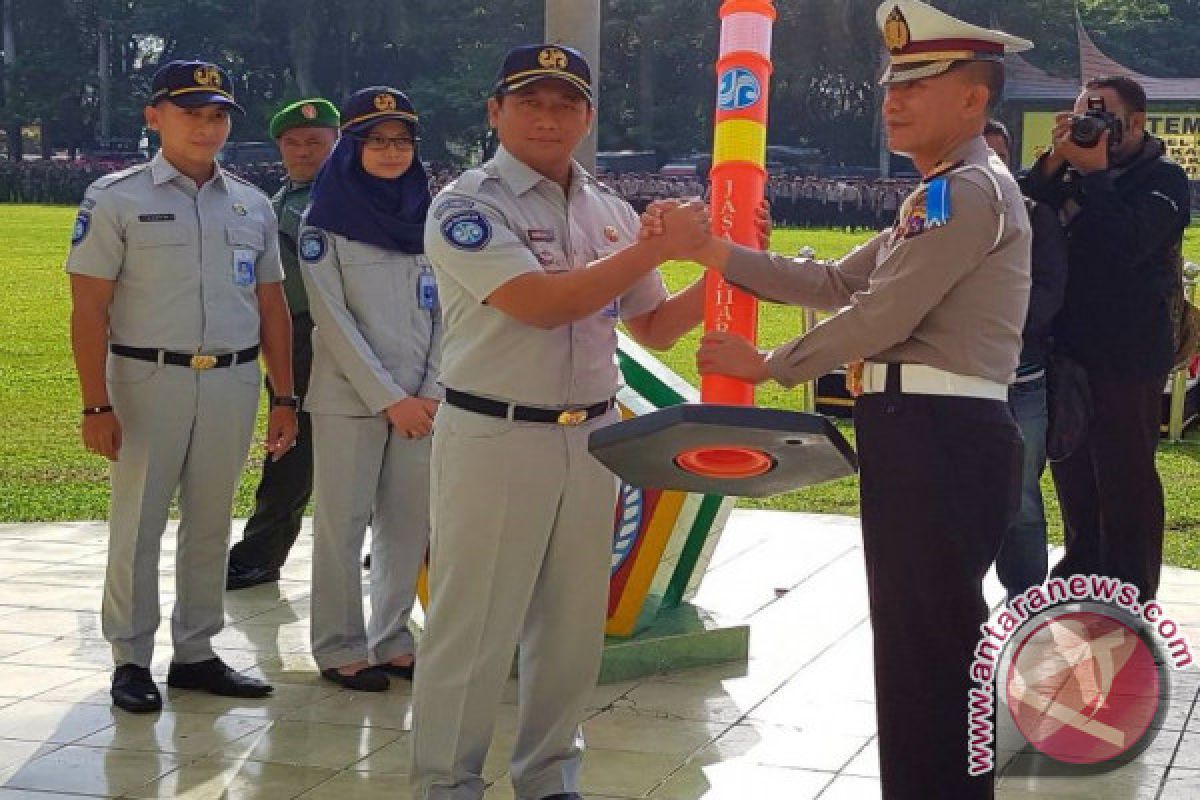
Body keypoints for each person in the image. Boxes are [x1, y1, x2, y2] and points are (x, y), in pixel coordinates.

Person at [655, 3, 1033, 795]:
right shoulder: (936, 193)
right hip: (920, 428)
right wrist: (717, 252)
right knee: (916, 643)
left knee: (930, 644)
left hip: (941, 430)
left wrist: (768, 367)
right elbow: (832, 282)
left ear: (973, 99)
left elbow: (884, 315)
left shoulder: (965, 191)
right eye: (891, 82)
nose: (893, 98)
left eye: (919, 83)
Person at [410, 43, 709, 800]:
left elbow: (657, 327)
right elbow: (544, 305)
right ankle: (447, 783)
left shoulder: (609, 210)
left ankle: (548, 777)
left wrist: (727, 259)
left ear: (586, 115)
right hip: (495, 434)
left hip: (593, 437)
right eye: (530, 101)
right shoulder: (467, 204)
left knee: (572, 629)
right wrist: (659, 243)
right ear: (495, 112)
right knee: (473, 625)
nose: (549, 117)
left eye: (565, 103)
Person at [66, 60, 296, 712]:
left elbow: (271, 306)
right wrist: (95, 402)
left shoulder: (251, 202)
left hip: (230, 380)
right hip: (145, 380)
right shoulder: (117, 197)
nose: (207, 125)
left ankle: (197, 652)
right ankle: (131, 658)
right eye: (191, 111)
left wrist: (284, 397)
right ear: (154, 116)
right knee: (138, 523)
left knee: (209, 520)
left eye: (217, 113)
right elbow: (88, 310)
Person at [1021, 76, 1191, 602]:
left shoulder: (1164, 179)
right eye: (1080, 117)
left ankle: (1131, 580)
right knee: (1070, 460)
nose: (1091, 130)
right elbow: (1018, 211)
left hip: (1129, 349)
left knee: (1125, 467)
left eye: (1102, 119)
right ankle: (1081, 565)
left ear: (1136, 123)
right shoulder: (1070, 170)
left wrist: (1096, 177)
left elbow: (1126, 245)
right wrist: (1055, 159)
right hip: (1067, 342)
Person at [297, 87, 439, 692]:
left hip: (425, 402)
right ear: (351, 148)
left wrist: (431, 391)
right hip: (350, 400)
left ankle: (391, 637)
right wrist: (390, 399)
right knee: (343, 523)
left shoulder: (434, 219)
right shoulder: (323, 225)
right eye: (376, 140)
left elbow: (451, 313)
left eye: (401, 140)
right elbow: (332, 321)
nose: (390, 152)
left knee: (408, 524)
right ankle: (338, 646)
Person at [226, 98, 340, 591]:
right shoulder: (272, 203)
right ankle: (262, 552)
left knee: (364, 448)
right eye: (292, 142)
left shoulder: (353, 202)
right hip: (290, 337)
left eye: (315, 142)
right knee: (291, 445)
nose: (302, 151)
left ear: (336, 143)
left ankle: (260, 553)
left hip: (338, 334)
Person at [984, 120, 1069, 602]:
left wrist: (990, 323)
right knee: (959, 492)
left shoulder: (1039, 217)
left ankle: (1025, 594)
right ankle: (959, 592)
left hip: (1023, 378)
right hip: (963, 380)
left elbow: (1049, 293)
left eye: (998, 158)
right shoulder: (942, 210)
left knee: (1021, 497)